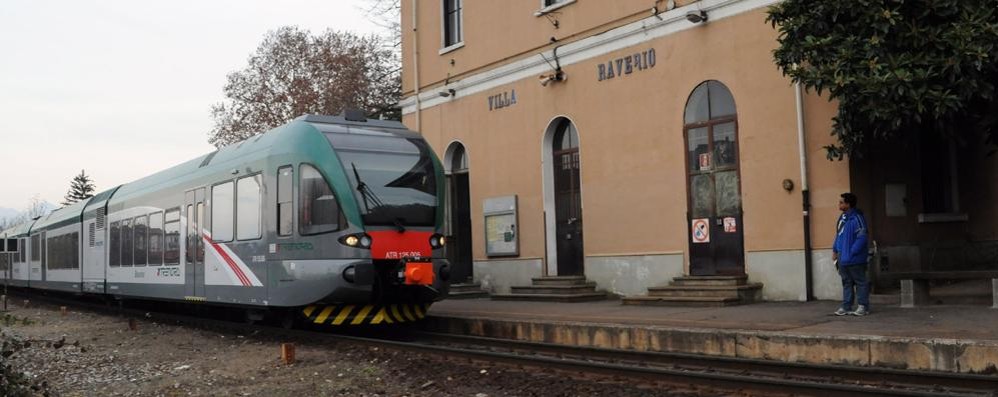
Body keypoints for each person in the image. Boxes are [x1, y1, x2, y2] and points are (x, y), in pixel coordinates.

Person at [832, 192, 870, 316]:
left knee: (860, 282)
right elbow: (838, 235)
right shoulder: (842, 218)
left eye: (841, 202)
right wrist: (835, 250)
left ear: (848, 204)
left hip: (855, 258)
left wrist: (853, 251)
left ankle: (863, 306)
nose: (839, 204)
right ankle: (846, 306)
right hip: (843, 257)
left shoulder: (857, 218)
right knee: (846, 282)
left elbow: (862, 237)